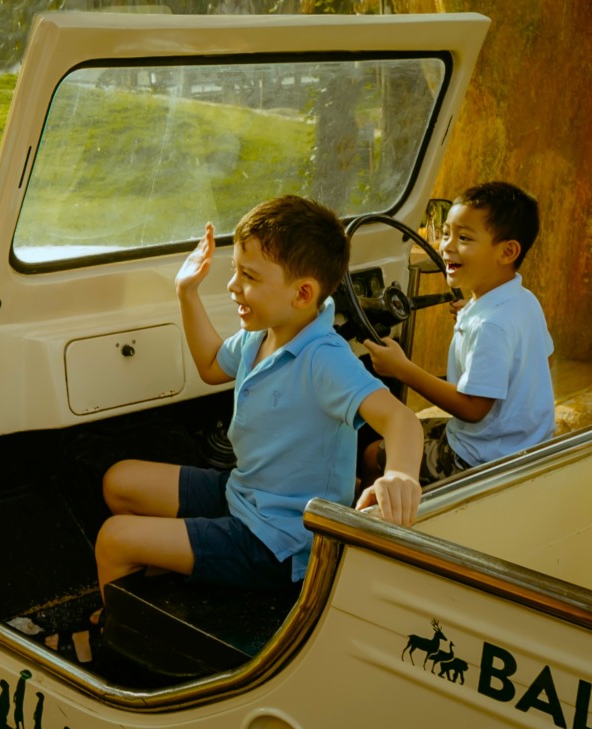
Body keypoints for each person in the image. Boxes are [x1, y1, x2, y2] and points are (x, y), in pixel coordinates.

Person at [95, 196, 424, 593]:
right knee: (119, 480)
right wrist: (187, 292)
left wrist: (401, 474)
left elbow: (399, 419)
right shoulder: (261, 334)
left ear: (302, 294)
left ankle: (120, 640)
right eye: (235, 270)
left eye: (248, 276)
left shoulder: (325, 359)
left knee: (114, 539)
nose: (233, 286)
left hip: (281, 541)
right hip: (244, 493)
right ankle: (177, 573)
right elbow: (213, 365)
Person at [361, 182, 556, 482]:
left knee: (372, 454)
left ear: (507, 251)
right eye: (447, 233)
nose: (446, 246)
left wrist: (403, 370)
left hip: (481, 458)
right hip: (522, 443)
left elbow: (473, 408)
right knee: (403, 428)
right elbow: (546, 361)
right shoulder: (520, 301)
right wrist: (473, 313)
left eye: (464, 237)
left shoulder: (489, 324)